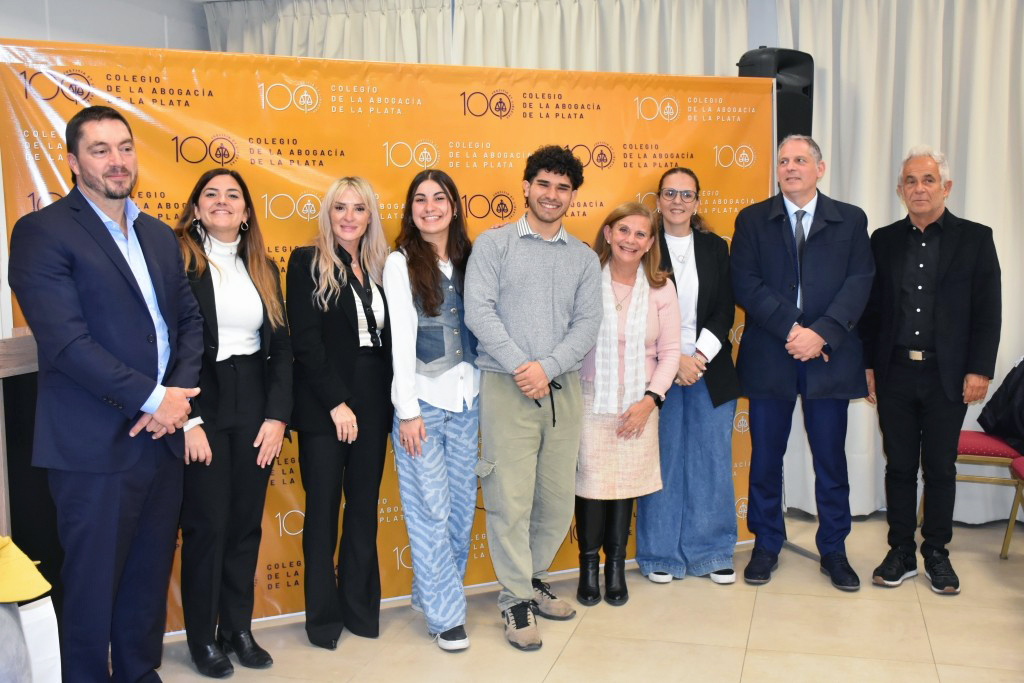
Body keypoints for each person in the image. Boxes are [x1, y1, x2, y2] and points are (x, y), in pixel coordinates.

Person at [8, 105, 204, 681]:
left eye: (124, 147)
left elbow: (188, 323)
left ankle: (141, 673)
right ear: (72, 161)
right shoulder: (42, 232)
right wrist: (154, 399)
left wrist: (175, 401)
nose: (116, 161)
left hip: (161, 438)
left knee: (146, 582)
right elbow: (67, 344)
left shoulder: (157, 234)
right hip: (93, 446)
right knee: (92, 592)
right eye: (100, 150)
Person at [465, 145, 601, 651]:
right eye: (543, 184)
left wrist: (546, 368)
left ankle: (533, 576)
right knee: (510, 499)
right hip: (506, 386)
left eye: (563, 187)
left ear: (572, 196)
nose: (552, 194)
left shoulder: (584, 257)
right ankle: (514, 599)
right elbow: (479, 311)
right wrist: (524, 367)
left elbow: (588, 324)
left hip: (561, 389)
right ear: (526, 187)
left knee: (555, 498)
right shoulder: (495, 244)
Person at [731, 134, 874, 591]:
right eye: (783, 160)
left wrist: (821, 333)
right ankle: (767, 543)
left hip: (828, 354)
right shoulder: (753, 219)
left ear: (820, 167)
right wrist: (794, 330)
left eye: (799, 160)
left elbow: (860, 281)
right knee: (766, 459)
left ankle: (834, 548)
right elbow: (746, 283)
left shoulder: (850, 219)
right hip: (772, 352)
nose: (790, 167)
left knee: (831, 459)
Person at [860, 146, 1001, 594]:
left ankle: (936, 552)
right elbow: (872, 310)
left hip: (949, 375)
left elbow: (988, 310)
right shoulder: (882, 240)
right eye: (910, 182)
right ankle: (900, 549)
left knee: (940, 467)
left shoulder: (976, 238)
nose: (918, 189)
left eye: (927, 180)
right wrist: (867, 365)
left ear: (946, 187)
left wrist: (979, 368)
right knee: (898, 465)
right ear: (899, 190)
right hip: (895, 372)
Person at [174, 169, 292, 677]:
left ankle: (237, 630)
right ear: (196, 207)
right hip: (202, 398)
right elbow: (170, 346)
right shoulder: (178, 262)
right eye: (211, 195)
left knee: (245, 524)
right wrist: (189, 420)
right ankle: (202, 639)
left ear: (246, 213)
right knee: (207, 526)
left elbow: (283, 352)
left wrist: (277, 416)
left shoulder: (263, 267)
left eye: (233, 197)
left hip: (255, 401)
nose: (222, 203)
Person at [287, 176, 392, 650]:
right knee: (324, 511)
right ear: (328, 214)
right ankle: (323, 621)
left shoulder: (382, 267)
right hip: (325, 403)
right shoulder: (307, 262)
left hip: (375, 397)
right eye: (340, 208)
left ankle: (360, 609)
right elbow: (306, 344)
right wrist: (336, 404)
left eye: (359, 209)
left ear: (370, 216)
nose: (349, 217)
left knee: (364, 509)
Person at [382, 169, 479, 651]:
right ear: (410, 208)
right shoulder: (400, 263)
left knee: (460, 512)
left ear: (454, 206)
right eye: (420, 200)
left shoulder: (472, 257)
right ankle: (445, 616)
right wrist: (406, 412)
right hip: (422, 403)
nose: (430, 207)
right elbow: (400, 340)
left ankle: (431, 593)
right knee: (429, 509)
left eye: (439, 198)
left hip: (468, 399)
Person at [635, 167, 741, 586]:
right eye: (670, 193)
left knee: (711, 461)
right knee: (661, 462)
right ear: (658, 200)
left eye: (686, 194)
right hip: (655, 369)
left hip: (708, 369)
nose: (678, 200)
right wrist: (673, 359)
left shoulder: (715, 247)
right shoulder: (643, 244)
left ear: (697, 202)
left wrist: (696, 357)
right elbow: (636, 308)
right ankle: (659, 553)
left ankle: (712, 552)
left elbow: (724, 309)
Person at [575, 202, 679, 607]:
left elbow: (671, 351)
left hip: (640, 398)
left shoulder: (660, 287)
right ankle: (588, 569)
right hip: (589, 396)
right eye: (623, 231)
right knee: (591, 486)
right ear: (608, 234)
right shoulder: (585, 279)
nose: (630, 240)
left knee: (624, 488)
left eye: (640, 234)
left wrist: (650, 400)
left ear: (651, 242)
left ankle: (615, 568)